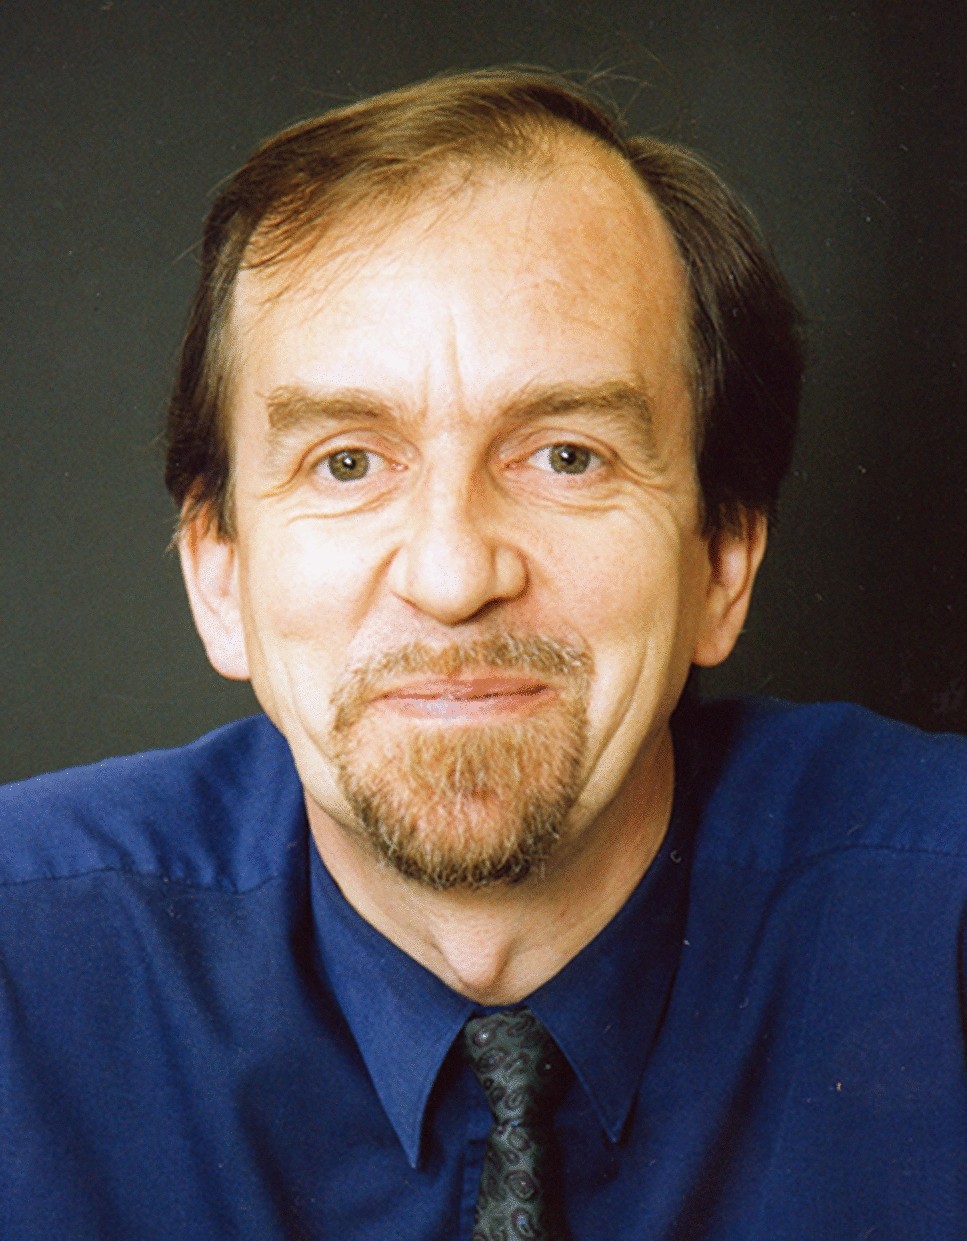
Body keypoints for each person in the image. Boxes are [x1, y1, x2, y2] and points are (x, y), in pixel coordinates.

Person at [2, 68, 965, 1241]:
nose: (454, 576)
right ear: (217, 574)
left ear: (721, 560)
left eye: (566, 456)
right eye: (347, 462)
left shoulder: (941, 928)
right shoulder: (21, 968)